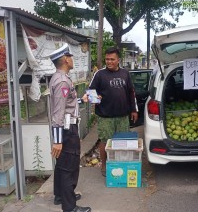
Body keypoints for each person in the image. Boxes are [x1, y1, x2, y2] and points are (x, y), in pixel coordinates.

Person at [49, 43, 91, 212]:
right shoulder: (62, 82)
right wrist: (57, 141)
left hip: (65, 128)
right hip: (67, 131)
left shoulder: (60, 78)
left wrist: (81, 100)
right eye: (71, 57)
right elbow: (59, 113)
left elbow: (66, 104)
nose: (72, 59)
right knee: (69, 167)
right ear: (66, 59)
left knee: (62, 165)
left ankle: (61, 195)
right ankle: (70, 207)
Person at [83, 47, 138, 177]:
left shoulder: (125, 73)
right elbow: (90, 93)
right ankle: (104, 166)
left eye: (112, 59)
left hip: (123, 116)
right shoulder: (100, 74)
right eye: (107, 59)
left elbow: (131, 92)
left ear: (118, 60)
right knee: (105, 141)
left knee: (123, 142)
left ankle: (121, 164)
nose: (109, 62)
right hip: (105, 116)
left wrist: (134, 109)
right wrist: (96, 99)